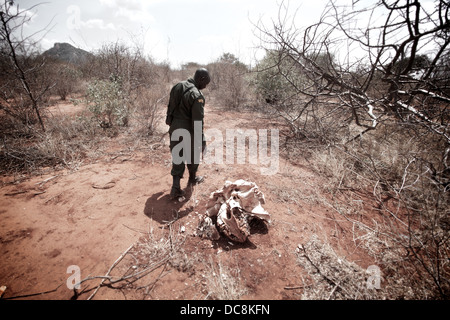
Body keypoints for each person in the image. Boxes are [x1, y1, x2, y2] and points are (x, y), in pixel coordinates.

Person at [166, 68, 211, 199]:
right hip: (187, 128)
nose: (205, 86)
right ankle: (192, 178)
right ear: (200, 79)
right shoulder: (197, 95)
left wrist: (170, 120)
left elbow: (170, 105)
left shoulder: (178, 86)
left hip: (175, 126)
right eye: (205, 83)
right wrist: (201, 140)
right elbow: (197, 121)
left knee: (177, 155)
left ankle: (175, 188)